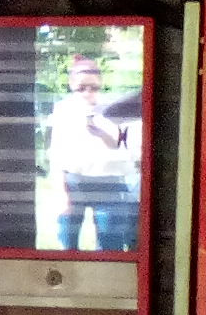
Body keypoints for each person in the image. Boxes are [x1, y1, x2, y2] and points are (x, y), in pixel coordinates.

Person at [49, 53, 139, 251]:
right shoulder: (63, 109)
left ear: (100, 82)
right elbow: (57, 154)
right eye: (81, 87)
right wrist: (62, 193)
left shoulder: (113, 107)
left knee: (110, 246)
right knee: (67, 244)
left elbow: (119, 146)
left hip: (109, 181)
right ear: (72, 84)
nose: (88, 92)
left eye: (93, 87)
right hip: (74, 182)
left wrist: (101, 132)